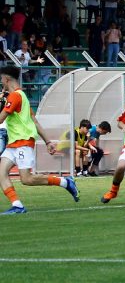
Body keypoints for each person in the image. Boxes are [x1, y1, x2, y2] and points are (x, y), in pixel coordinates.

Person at [0, 66, 79, 214]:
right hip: (14, 143)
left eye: (2, 79)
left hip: (22, 143)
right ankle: (17, 205)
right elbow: (34, 122)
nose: (1, 83)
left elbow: (1, 119)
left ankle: (65, 182)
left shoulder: (15, 97)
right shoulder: (22, 97)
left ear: (6, 79)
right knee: (1, 173)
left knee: (27, 179)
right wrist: (48, 142)